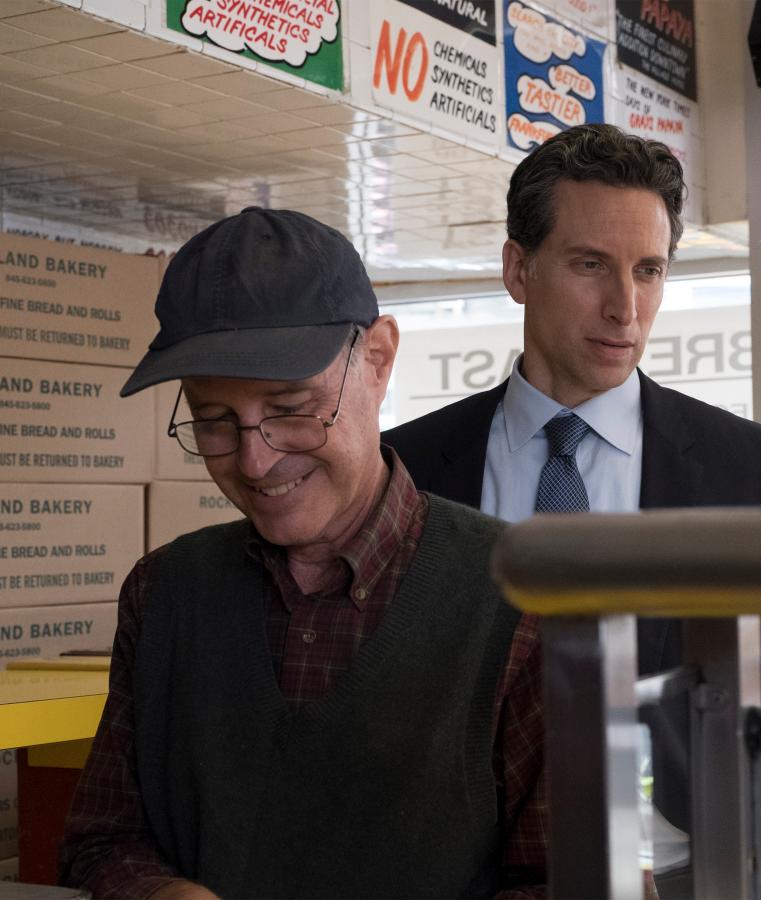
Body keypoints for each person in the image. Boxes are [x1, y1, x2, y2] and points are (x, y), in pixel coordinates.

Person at [382, 124, 761, 890]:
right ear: (518, 269)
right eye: (591, 265)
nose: (626, 308)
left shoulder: (744, 470)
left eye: (648, 270)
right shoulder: (407, 467)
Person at [59, 207, 545, 899]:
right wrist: (161, 894)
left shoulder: (524, 596)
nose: (255, 462)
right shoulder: (162, 592)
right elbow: (101, 844)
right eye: (213, 421)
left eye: (291, 407)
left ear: (377, 360)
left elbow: (577, 881)